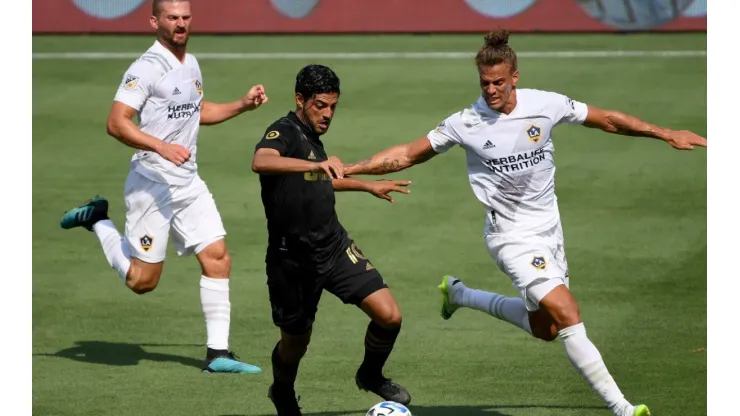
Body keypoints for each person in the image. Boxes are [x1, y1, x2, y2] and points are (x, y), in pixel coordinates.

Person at [342, 29, 707, 416]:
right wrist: (351, 167)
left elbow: (609, 120)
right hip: (510, 236)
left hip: (550, 230)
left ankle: (461, 294)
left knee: (547, 329)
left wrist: (665, 132)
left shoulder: (545, 104)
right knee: (567, 312)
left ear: (515, 76)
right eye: (485, 83)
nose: (491, 90)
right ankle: (622, 407)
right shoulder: (466, 122)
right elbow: (406, 154)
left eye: (498, 82)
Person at [59, 0, 267, 374]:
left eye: (185, 17)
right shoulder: (146, 67)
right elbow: (116, 122)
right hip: (151, 183)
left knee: (218, 257)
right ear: (155, 21)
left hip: (188, 181)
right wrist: (160, 145)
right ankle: (97, 220)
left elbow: (198, 110)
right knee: (143, 282)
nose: (181, 24)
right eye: (172, 17)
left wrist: (242, 104)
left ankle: (217, 354)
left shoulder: (192, 64)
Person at [252, 64, 413, 416]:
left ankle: (370, 374)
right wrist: (312, 165)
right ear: (300, 99)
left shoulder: (312, 138)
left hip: (334, 247)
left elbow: (318, 177)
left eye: (332, 107)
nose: (327, 114)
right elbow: (261, 161)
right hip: (291, 260)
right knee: (296, 343)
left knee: (390, 316)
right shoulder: (285, 131)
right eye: (320, 105)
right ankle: (282, 392)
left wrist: (367, 185)